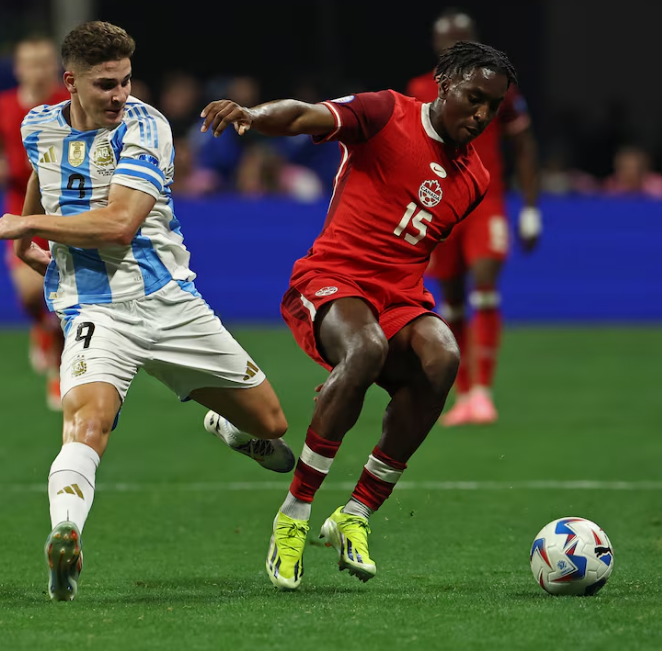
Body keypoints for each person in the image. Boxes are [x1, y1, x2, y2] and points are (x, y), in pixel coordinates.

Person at [0, 21, 294, 601]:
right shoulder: (37, 126)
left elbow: (120, 226)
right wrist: (28, 244)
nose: (121, 94)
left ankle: (228, 427)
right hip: (98, 312)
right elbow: (42, 179)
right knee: (86, 423)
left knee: (272, 427)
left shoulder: (146, 126)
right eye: (106, 85)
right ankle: (65, 535)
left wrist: (29, 227)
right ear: (70, 83)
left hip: (170, 303)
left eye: (126, 80)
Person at [200, 40, 517, 590]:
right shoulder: (385, 112)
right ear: (445, 84)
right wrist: (252, 115)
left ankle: (356, 514)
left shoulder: (475, 180)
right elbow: (304, 114)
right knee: (364, 348)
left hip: (399, 300)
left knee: (443, 356)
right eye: (474, 98)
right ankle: (293, 516)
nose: (482, 115)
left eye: (494, 107)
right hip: (331, 279)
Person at [406, 8, 541, 426]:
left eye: (461, 39)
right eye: (447, 40)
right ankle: (463, 393)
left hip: (486, 203)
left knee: (485, 287)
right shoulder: (420, 88)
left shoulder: (499, 88)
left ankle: (483, 390)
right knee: (453, 301)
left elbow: (523, 146)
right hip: (440, 206)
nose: (453, 46)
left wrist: (531, 208)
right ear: (436, 45)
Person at [0, 34, 69, 409]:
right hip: (21, 205)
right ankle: (42, 328)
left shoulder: (67, 102)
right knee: (31, 292)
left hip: (63, 208)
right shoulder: (2, 105)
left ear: (56, 67)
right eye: (29, 62)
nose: (37, 69)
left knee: (66, 298)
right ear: (18, 68)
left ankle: (61, 370)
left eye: (44, 61)